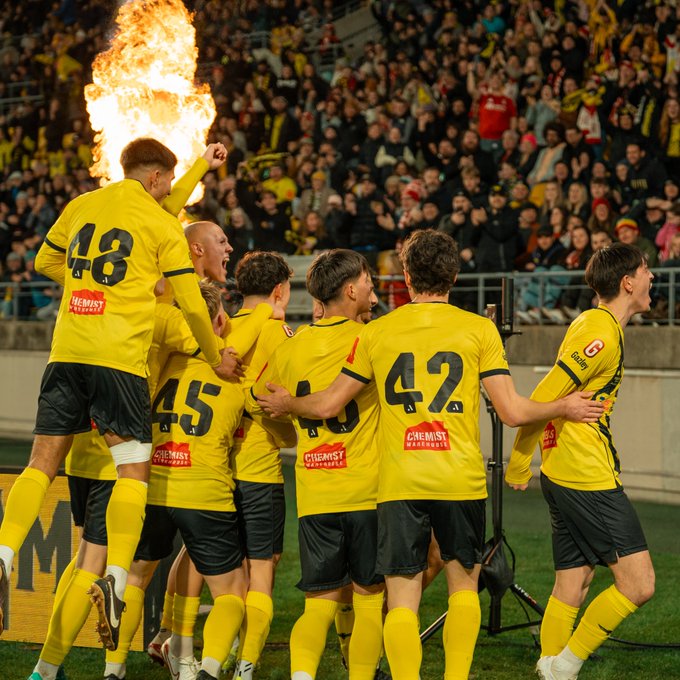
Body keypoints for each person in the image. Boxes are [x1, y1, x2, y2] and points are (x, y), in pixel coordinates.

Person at [256, 230, 604, 680]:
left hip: (399, 483)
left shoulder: (376, 331)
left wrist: (287, 403)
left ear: (405, 276)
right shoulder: (479, 329)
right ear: (454, 276)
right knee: (463, 589)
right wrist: (564, 406)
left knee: (402, 599)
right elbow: (513, 412)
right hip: (459, 480)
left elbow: (328, 404)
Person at [0, 138, 237, 647]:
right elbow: (193, 305)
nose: (170, 194)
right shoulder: (159, 225)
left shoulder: (81, 204)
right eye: (167, 184)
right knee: (133, 468)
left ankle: (3, 554)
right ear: (155, 179)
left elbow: (44, 261)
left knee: (40, 463)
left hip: (66, 354)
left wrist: (93, 285)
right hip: (117, 361)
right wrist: (215, 353)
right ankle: (114, 578)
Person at [505, 243, 656, 680]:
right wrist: (519, 461)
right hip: (584, 474)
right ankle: (564, 667)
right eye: (646, 270)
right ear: (628, 283)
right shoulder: (600, 332)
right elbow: (545, 394)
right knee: (639, 584)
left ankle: (548, 667)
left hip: (562, 469)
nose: (652, 277)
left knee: (574, 581)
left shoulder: (596, 323)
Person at [248, 249, 385, 680]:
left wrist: (288, 434)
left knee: (318, 605)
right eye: (367, 282)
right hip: (366, 489)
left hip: (315, 494)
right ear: (351, 290)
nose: (372, 289)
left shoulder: (292, 347)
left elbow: (257, 400)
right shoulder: (371, 340)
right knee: (369, 601)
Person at [229, 252, 297, 680]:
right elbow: (286, 396)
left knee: (227, 566)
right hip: (259, 467)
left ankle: (212, 645)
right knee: (262, 566)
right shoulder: (278, 333)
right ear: (279, 290)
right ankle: (246, 662)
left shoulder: (223, 328)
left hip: (217, 465)